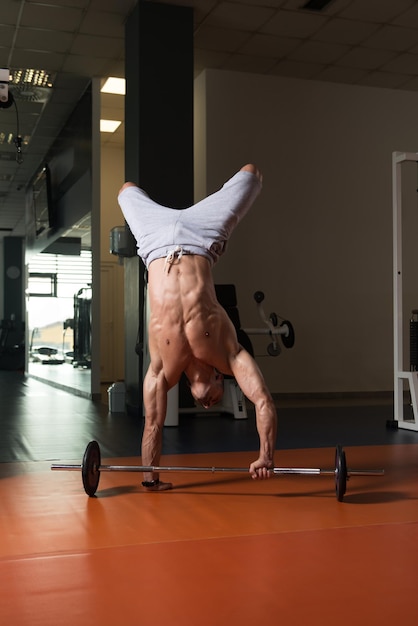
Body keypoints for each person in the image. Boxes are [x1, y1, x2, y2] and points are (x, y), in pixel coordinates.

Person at [118, 164, 277, 491]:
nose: (209, 403)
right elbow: (262, 401)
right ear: (220, 378)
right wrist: (266, 455)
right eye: (215, 401)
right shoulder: (228, 353)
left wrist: (150, 479)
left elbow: (152, 424)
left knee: (125, 190)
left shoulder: (163, 369)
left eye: (206, 404)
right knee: (252, 175)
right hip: (200, 238)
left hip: (153, 242)